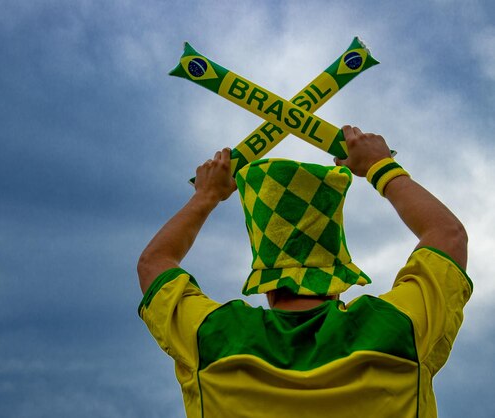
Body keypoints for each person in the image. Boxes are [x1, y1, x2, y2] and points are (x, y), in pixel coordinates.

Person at [137, 125, 472, 418]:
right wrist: (379, 166)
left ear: (267, 283)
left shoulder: (213, 338)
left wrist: (206, 195)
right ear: (338, 278)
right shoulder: (399, 328)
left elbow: (155, 262)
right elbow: (447, 234)